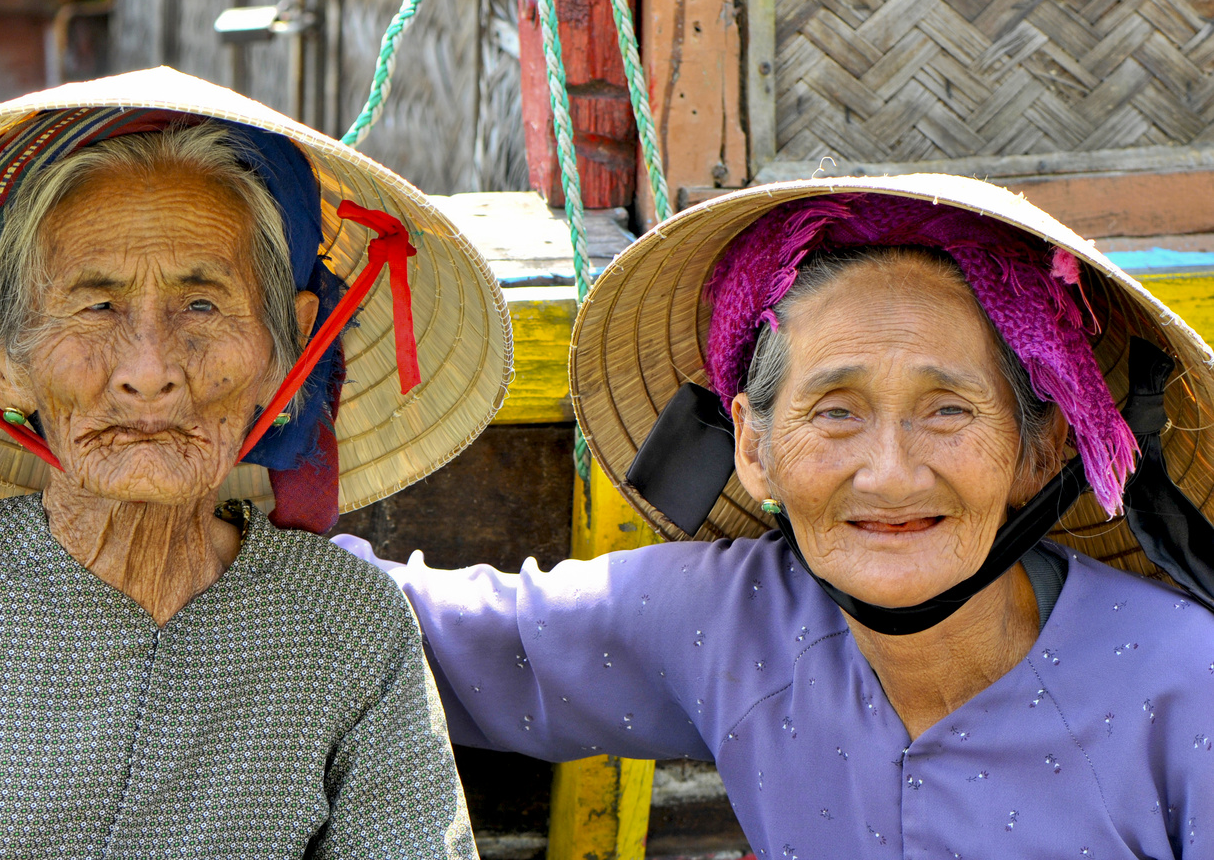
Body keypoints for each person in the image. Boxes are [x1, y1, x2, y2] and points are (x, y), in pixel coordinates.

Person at [0, 68, 513, 859]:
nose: (149, 367)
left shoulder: (348, 627)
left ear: (288, 348)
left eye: (202, 303)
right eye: (96, 305)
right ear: (5, 360)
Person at [338, 175, 1214, 857]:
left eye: (948, 411)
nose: (890, 471)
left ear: (1044, 447)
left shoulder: (1188, 688)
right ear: (753, 445)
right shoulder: (729, 621)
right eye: (836, 410)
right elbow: (425, 634)